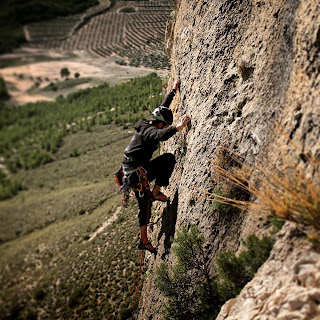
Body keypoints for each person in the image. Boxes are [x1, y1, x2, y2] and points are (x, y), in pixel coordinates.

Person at [122, 79, 191, 253]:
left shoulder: (149, 123)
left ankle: (155, 192)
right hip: (135, 176)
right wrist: (178, 127)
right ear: (161, 124)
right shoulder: (151, 132)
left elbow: (162, 109)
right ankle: (144, 241)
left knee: (168, 159)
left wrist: (173, 91)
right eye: (165, 125)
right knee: (144, 206)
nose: (165, 126)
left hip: (136, 170)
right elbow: (161, 135)